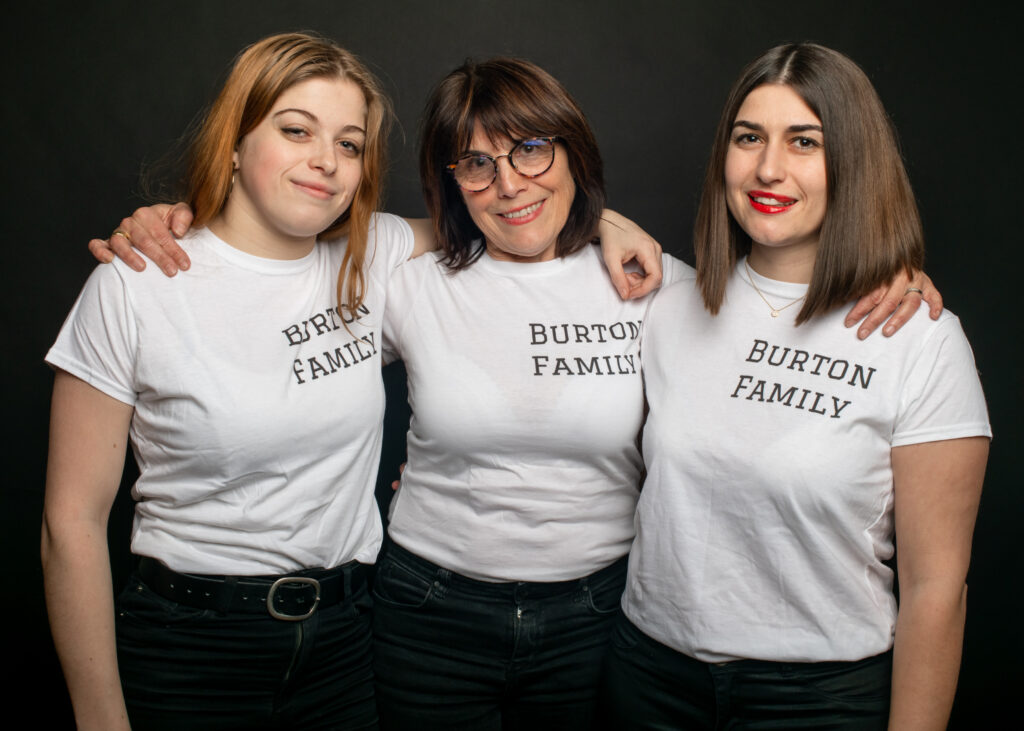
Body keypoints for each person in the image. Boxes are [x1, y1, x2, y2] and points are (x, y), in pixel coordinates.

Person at [89, 55, 938, 730]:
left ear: (571, 149)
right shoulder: (403, 271)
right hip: (427, 611)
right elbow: (273, 261)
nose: (509, 183)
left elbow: (767, 312)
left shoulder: (659, 291)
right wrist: (179, 222)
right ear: (449, 178)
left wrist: (884, 268)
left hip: (598, 618)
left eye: (533, 149)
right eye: (477, 164)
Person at [604, 43, 990, 730]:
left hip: (819, 700)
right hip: (649, 678)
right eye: (748, 138)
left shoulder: (921, 339)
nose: (768, 168)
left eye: (803, 141)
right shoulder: (665, 302)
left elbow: (936, 591)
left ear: (854, 161)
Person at [42, 32, 422, 730]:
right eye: (295, 130)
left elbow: (502, 222)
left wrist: (602, 223)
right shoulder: (135, 284)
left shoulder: (376, 257)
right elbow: (70, 522)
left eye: (348, 143)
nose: (325, 162)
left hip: (346, 645)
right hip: (189, 649)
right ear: (236, 140)